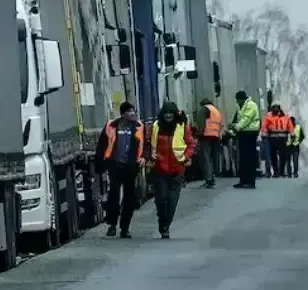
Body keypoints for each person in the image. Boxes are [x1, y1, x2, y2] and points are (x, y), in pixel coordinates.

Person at [94, 101, 147, 238]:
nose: (132, 114)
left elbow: (145, 144)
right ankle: (112, 224)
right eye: (129, 111)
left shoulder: (139, 126)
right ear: (123, 114)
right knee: (114, 194)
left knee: (130, 198)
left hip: (131, 166)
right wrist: (100, 163)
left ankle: (125, 228)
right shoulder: (111, 126)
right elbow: (102, 145)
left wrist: (144, 157)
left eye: (133, 111)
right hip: (114, 165)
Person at [146, 101, 196, 238]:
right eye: (166, 113)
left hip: (177, 169)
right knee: (161, 199)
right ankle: (162, 222)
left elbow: (191, 143)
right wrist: (149, 155)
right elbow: (148, 143)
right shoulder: (155, 126)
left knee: (172, 200)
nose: (168, 116)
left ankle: (166, 225)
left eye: (171, 113)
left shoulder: (182, 126)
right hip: (160, 169)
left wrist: (186, 156)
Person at [232, 90, 261, 188]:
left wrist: (236, 128)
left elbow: (246, 119)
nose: (236, 102)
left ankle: (250, 182)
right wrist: (233, 129)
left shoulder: (251, 105)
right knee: (243, 159)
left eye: (237, 100)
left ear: (241, 99)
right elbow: (239, 120)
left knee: (249, 158)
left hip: (250, 133)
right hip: (243, 133)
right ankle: (243, 181)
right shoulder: (241, 106)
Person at [197, 98, 224, 188]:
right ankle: (213, 176)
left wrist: (198, 134)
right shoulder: (216, 111)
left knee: (206, 158)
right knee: (213, 158)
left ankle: (209, 179)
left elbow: (201, 123)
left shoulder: (204, 109)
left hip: (206, 135)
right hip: (216, 136)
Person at [262, 104, 292, 176]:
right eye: (274, 108)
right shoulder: (268, 117)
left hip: (282, 138)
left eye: (276, 108)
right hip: (272, 138)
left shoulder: (285, 117)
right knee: (273, 155)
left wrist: (292, 134)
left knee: (283, 155)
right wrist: (264, 133)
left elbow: (290, 126)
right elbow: (264, 126)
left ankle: (281, 171)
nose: (275, 110)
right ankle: (276, 171)